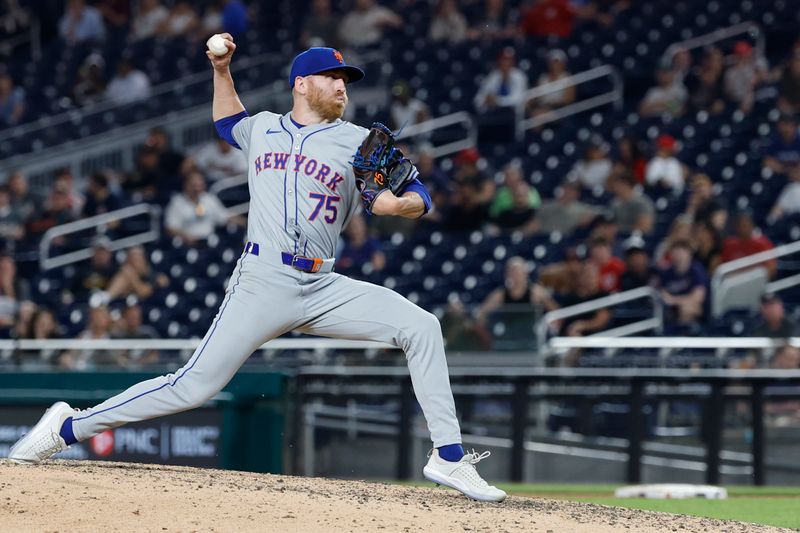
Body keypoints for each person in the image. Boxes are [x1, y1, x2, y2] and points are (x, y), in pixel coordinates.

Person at [9, 42, 506, 502]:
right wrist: (221, 70)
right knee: (194, 387)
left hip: (323, 283)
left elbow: (423, 193)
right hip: (263, 279)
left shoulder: (358, 142)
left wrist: (403, 205)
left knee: (422, 326)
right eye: (331, 77)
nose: (341, 87)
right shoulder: (264, 126)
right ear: (301, 84)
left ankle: (449, 456)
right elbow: (229, 123)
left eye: (345, 80)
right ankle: (68, 428)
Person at [165, 171, 244, 245]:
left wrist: (247, 223)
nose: (197, 189)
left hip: (209, 241)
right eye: (194, 186)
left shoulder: (209, 199)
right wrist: (185, 236)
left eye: (199, 185)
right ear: (186, 185)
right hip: (187, 243)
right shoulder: (177, 202)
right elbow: (170, 228)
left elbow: (225, 217)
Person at [656, 239, 708, 328]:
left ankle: (684, 335)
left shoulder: (696, 270)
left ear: (689, 253)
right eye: (676, 250)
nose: (679, 254)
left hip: (697, 308)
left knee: (686, 308)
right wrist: (670, 301)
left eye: (682, 250)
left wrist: (673, 300)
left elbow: (698, 297)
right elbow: (663, 294)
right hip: (672, 309)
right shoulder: (667, 272)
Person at [721, 211, 776, 279]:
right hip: (736, 283)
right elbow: (723, 269)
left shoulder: (762, 243)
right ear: (736, 227)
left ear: (752, 226)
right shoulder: (729, 244)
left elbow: (771, 269)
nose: (743, 229)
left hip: (757, 283)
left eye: (745, 225)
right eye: (741, 226)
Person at [536, 180, 601, 236]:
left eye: (573, 190)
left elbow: (598, 212)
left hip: (564, 238)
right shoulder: (547, 205)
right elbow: (535, 222)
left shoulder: (582, 209)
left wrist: (588, 218)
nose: (569, 192)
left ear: (577, 193)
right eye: (567, 188)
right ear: (562, 189)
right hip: (544, 234)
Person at [723, 41, 768, 114]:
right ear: (738, 57)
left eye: (748, 55)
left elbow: (764, 74)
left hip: (756, 94)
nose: (747, 57)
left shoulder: (755, 61)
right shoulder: (731, 73)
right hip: (739, 99)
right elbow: (731, 92)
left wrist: (757, 76)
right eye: (744, 56)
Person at [762, 113, 800, 179]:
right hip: (777, 178)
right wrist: (784, 170)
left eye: (790, 126)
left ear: (795, 127)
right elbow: (767, 161)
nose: (787, 129)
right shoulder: (773, 140)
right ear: (778, 126)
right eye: (784, 125)